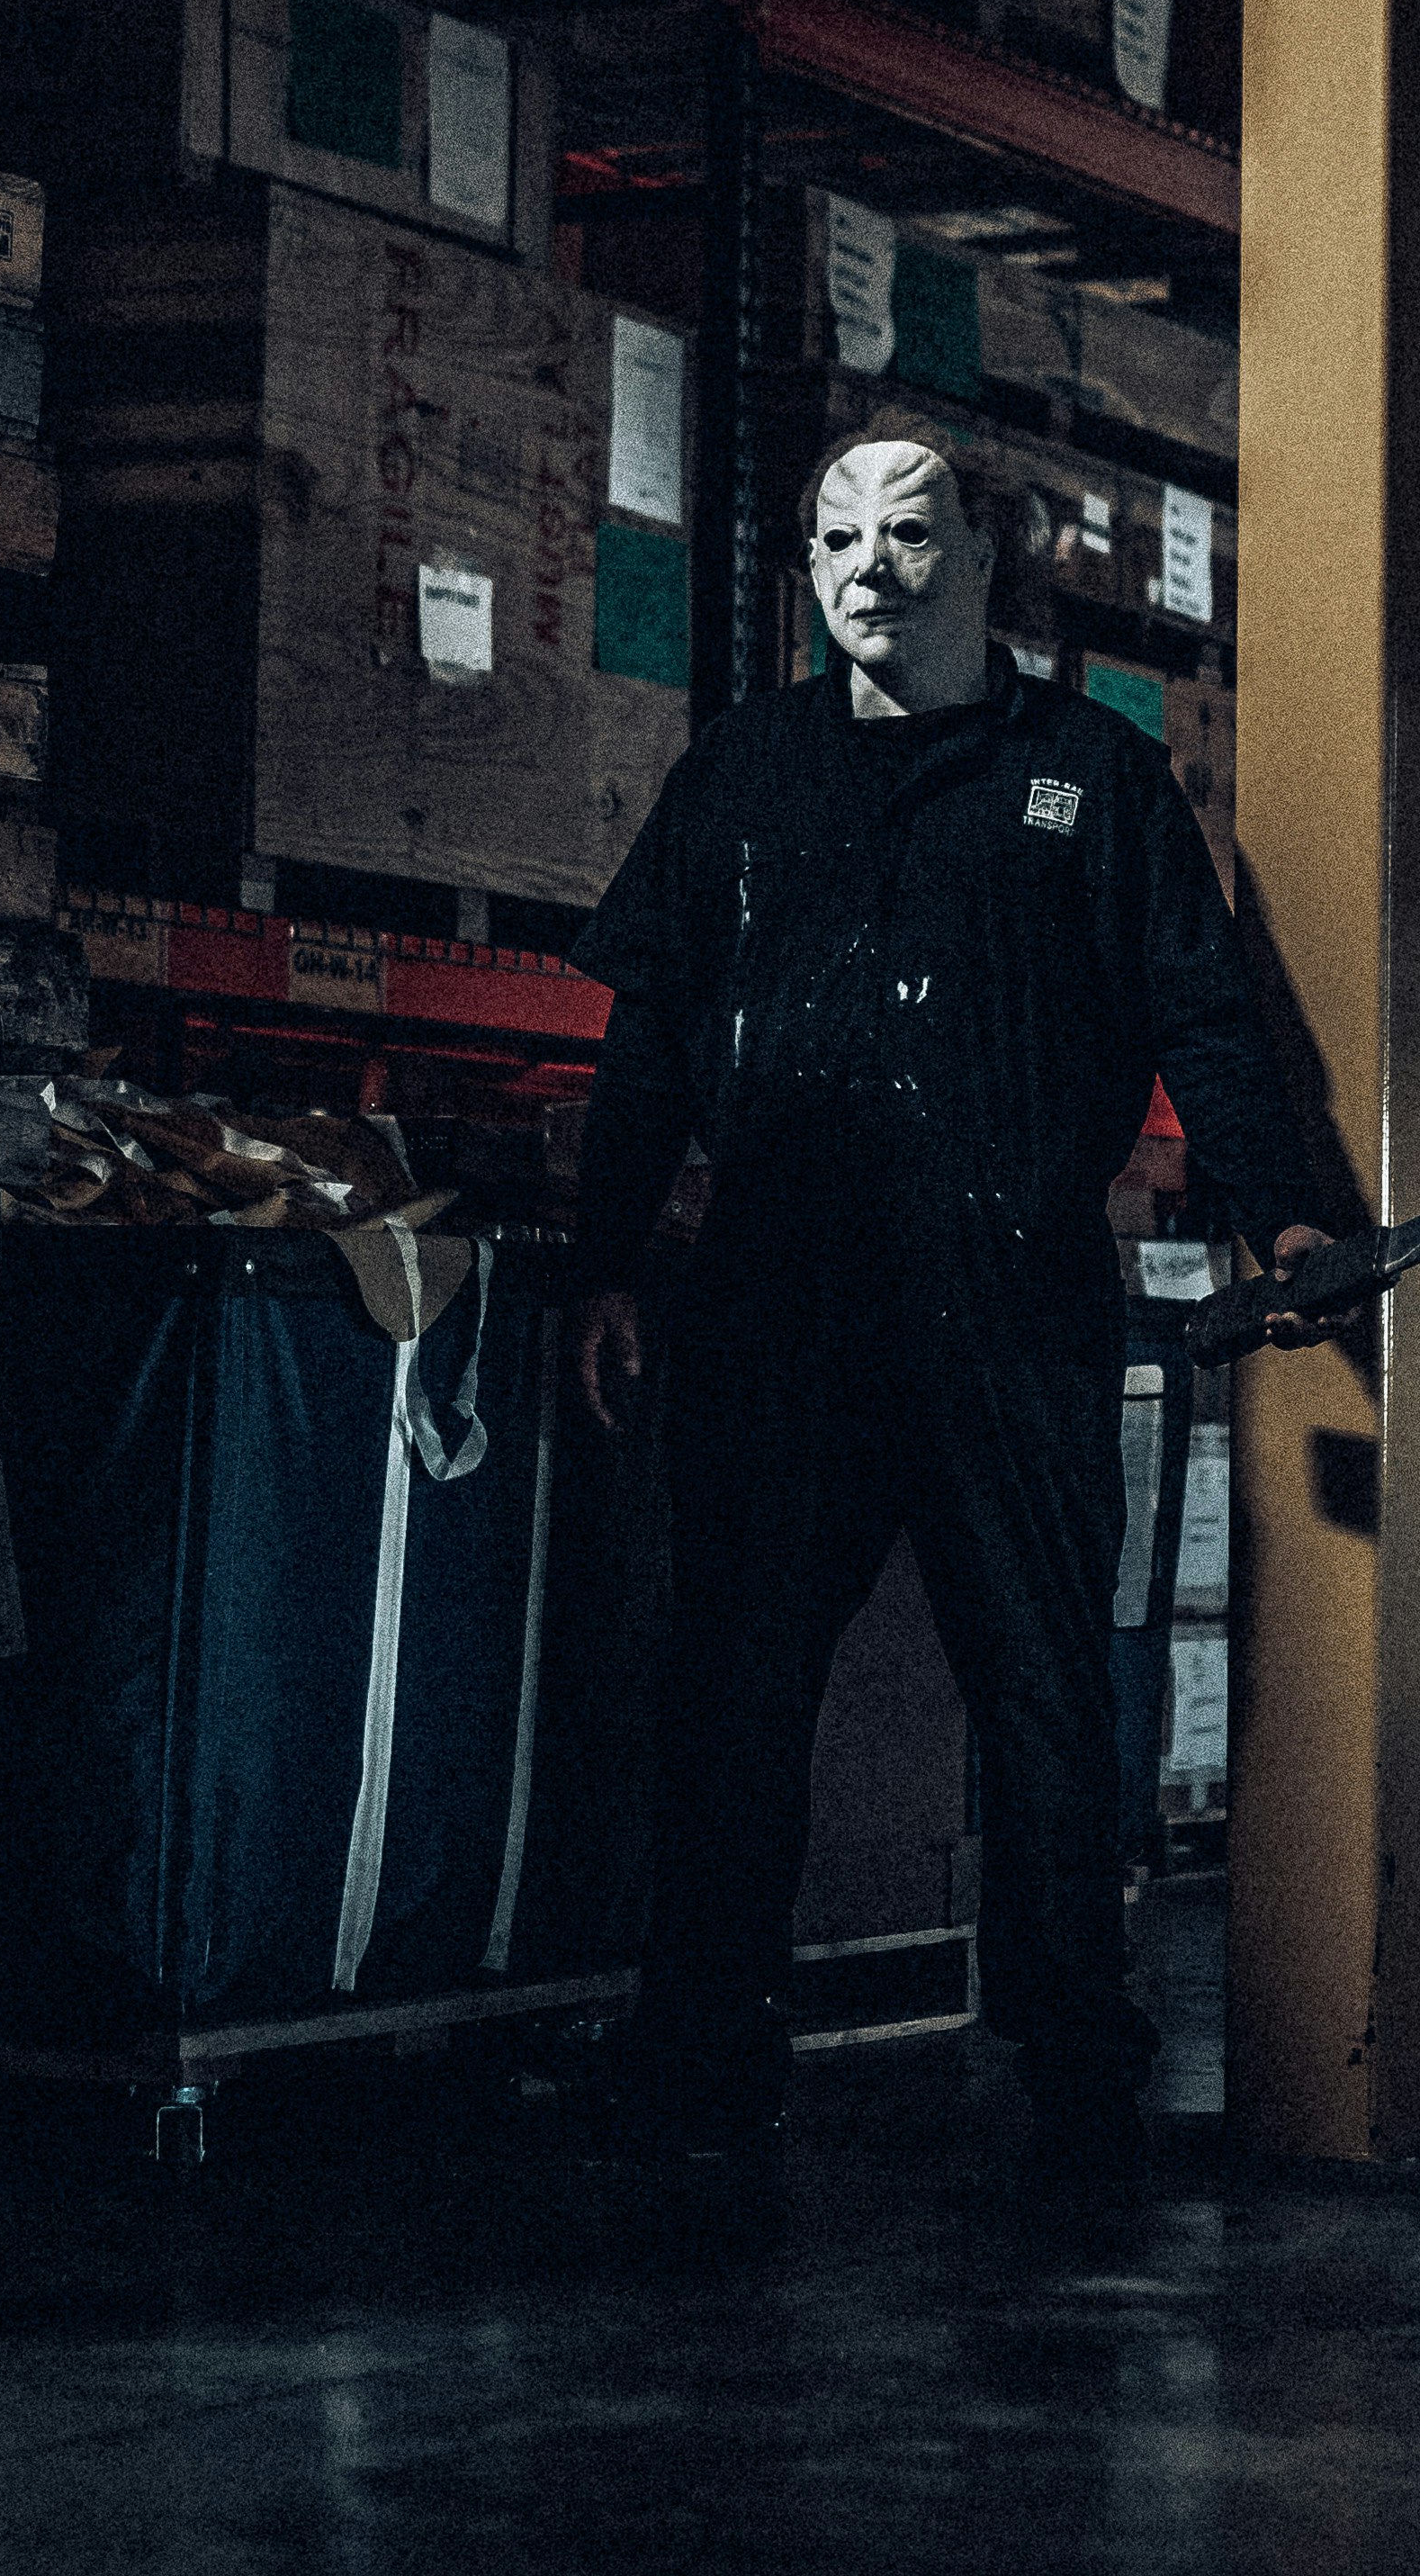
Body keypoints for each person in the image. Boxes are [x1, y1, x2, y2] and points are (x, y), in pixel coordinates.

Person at [571, 430, 1333, 2183]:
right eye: (833, 531)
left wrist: (1271, 1219)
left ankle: (1073, 2064)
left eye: (911, 532)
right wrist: (606, 1260)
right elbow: (649, 1044)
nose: (866, 564)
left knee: (1047, 1690)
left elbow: (1201, 1017)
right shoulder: (742, 772)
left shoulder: (1088, 777)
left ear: (992, 559)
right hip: (776, 1311)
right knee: (730, 1695)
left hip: (1007, 1311)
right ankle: (702, 2059)